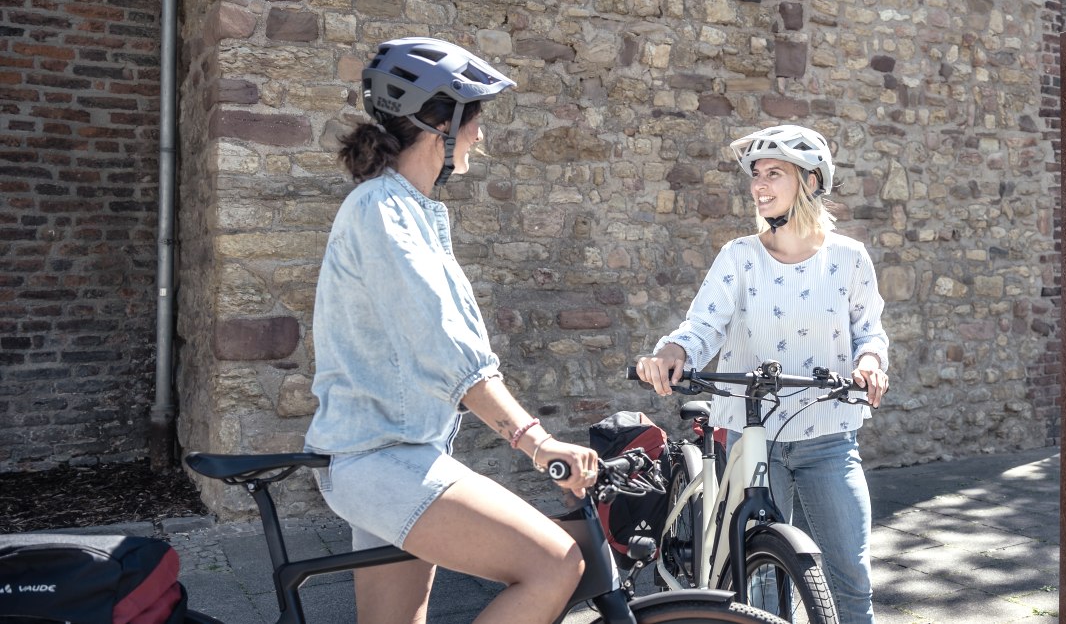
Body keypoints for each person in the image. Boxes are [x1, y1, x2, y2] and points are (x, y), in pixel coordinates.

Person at [303, 37, 600, 624]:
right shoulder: (382, 212)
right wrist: (536, 443)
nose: (480, 138)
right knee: (556, 565)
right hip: (383, 459)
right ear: (440, 124)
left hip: (389, 454)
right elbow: (446, 348)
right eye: (475, 122)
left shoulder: (404, 209)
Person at [635, 124, 890, 624]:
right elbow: (703, 324)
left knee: (851, 576)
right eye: (756, 174)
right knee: (761, 581)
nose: (759, 185)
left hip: (829, 437)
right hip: (752, 437)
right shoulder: (739, 256)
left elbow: (869, 332)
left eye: (774, 173)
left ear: (812, 182)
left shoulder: (849, 258)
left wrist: (870, 363)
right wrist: (673, 349)